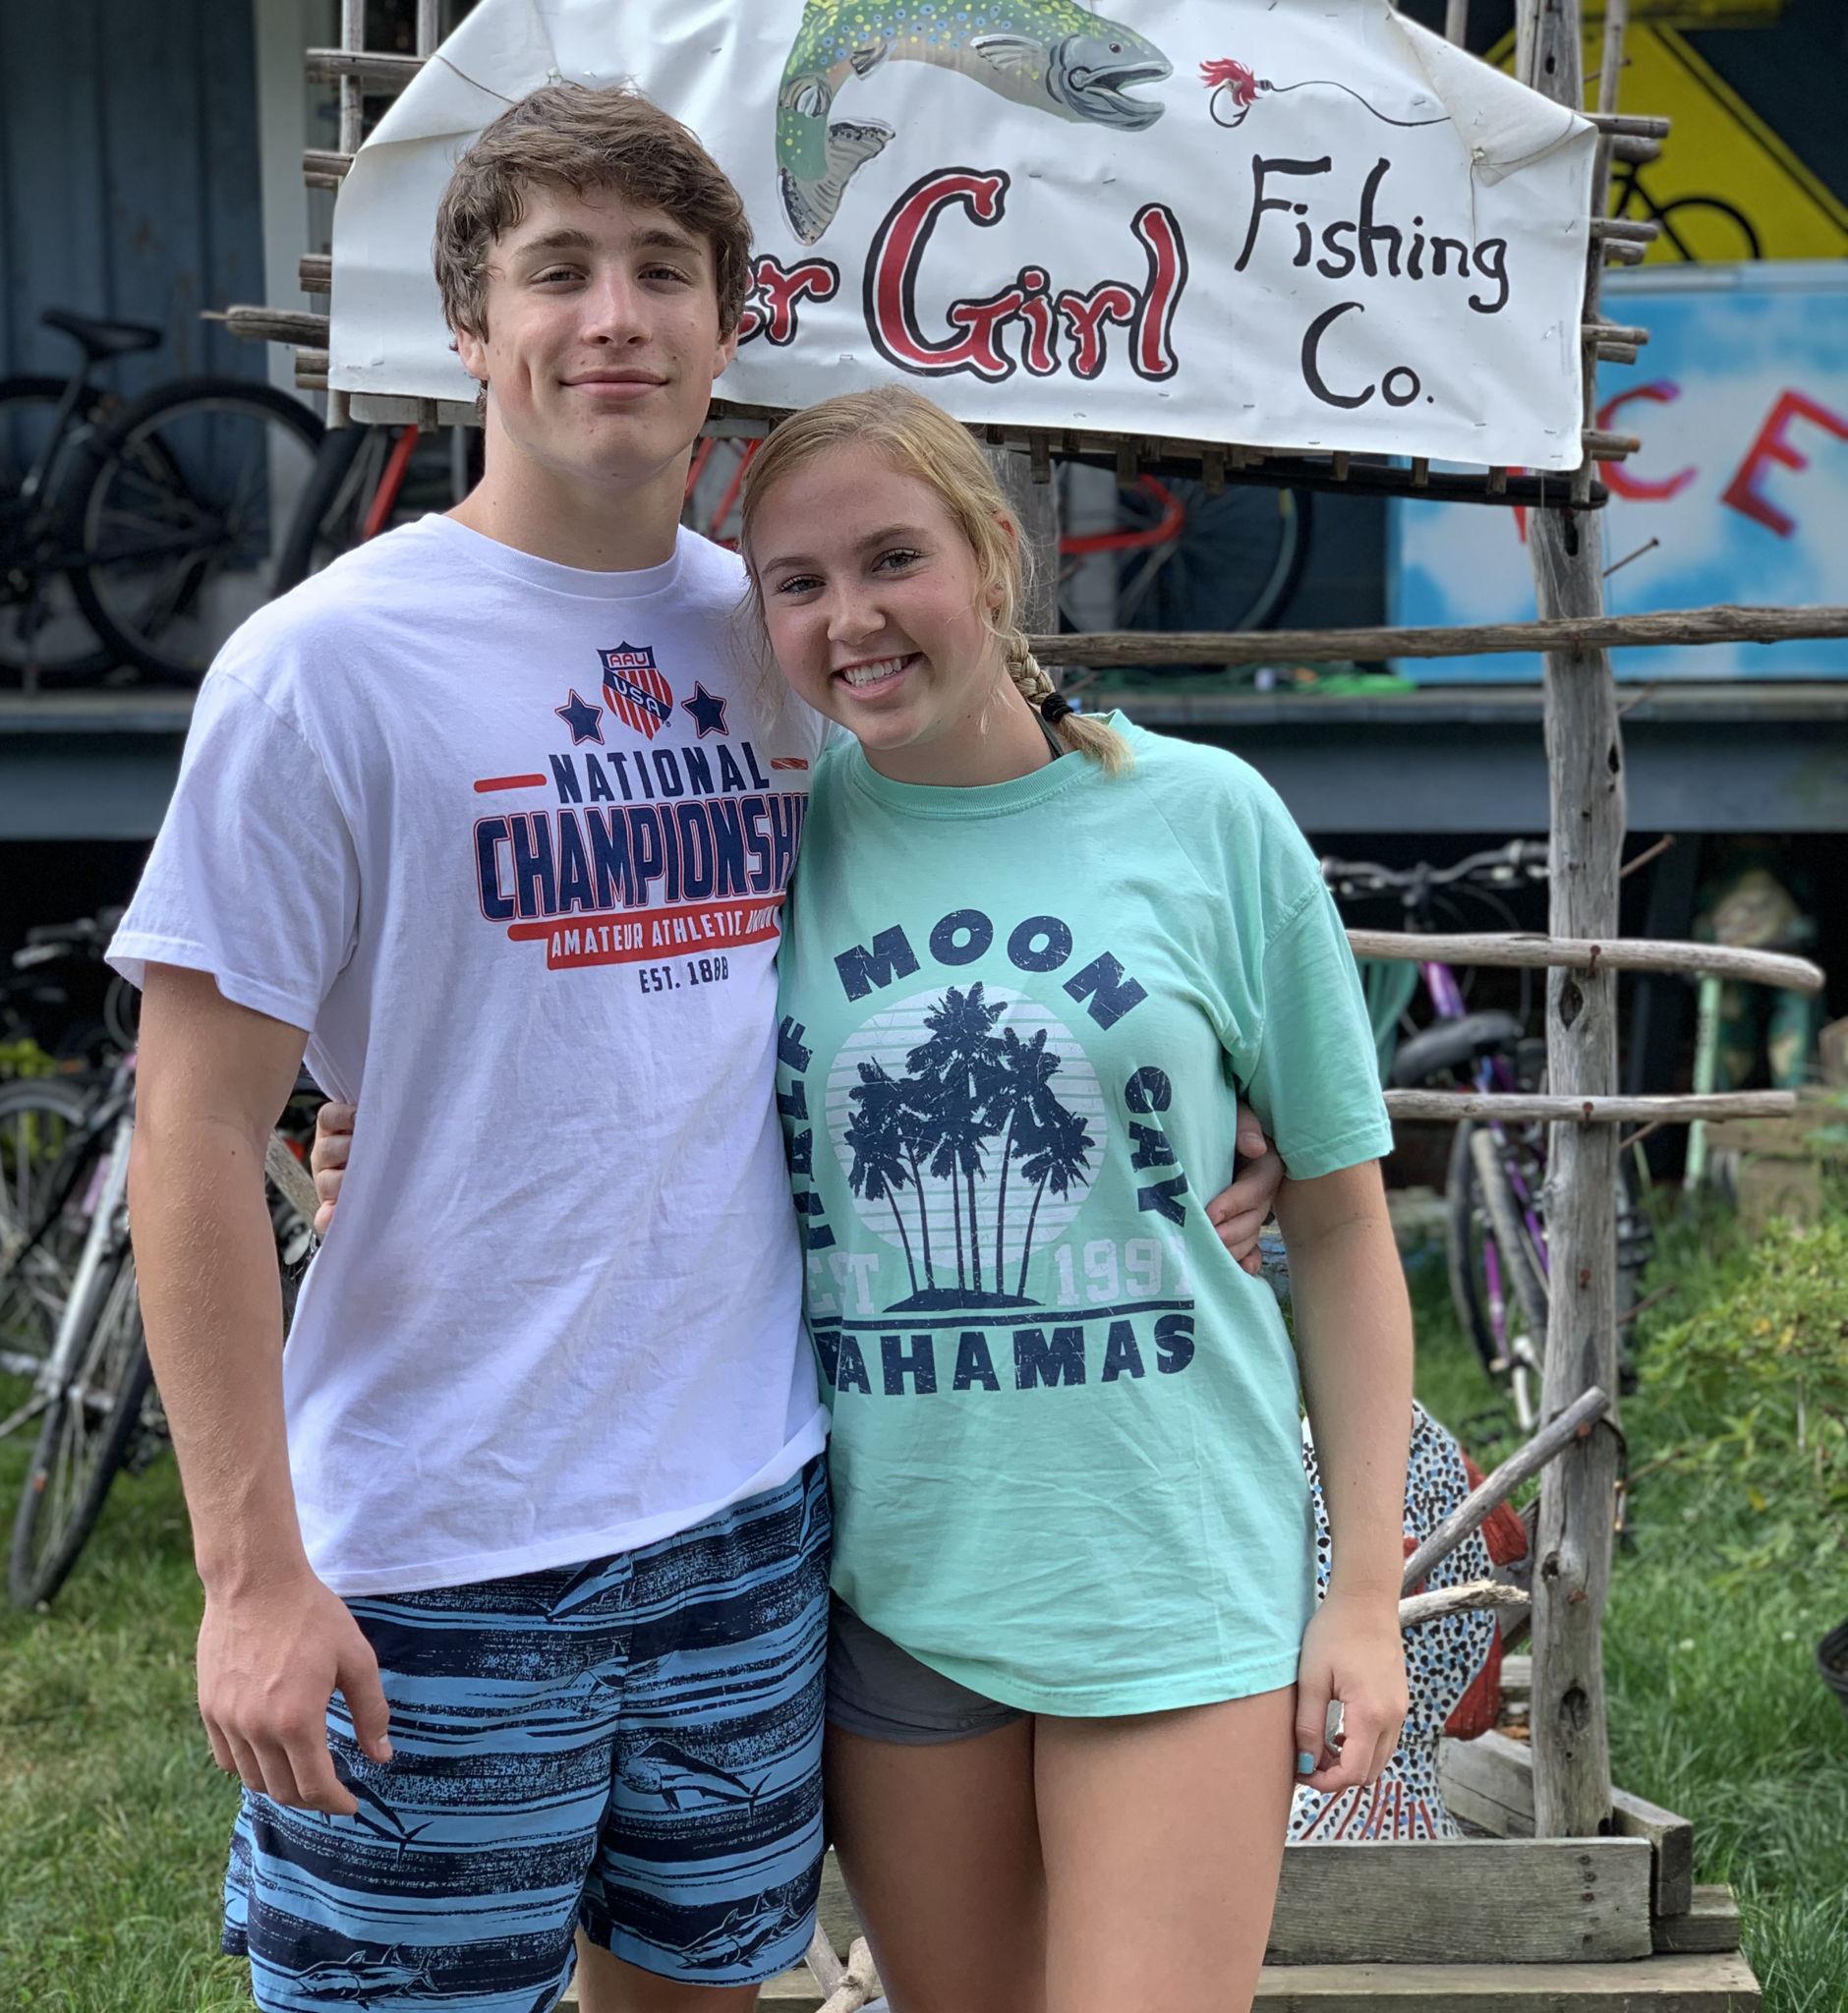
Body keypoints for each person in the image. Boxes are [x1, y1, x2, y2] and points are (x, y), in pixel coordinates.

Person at [113, 86, 1283, 2013]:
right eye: (554, 271)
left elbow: (1032, 835)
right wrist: (250, 1573)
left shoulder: (790, 637)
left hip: (750, 1521)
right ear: (469, 329)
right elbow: (190, 1124)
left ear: (728, 324)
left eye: (663, 270)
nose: (614, 317)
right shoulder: (326, 666)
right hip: (435, 1549)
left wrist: (1200, 1065)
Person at [315, 387, 1413, 2012]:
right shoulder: (762, 833)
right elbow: (603, 1070)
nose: (854, 618)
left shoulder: (1207, 822)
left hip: (1173, 1575)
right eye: (799, 583)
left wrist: (1367, 1596)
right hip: (897, 1596)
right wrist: (382, 1147)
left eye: (895, 558)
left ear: (993, 555)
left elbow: (1341, 1223)